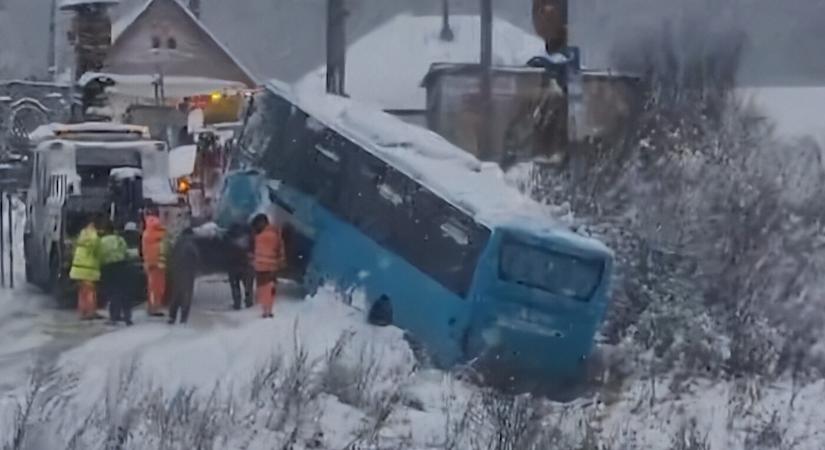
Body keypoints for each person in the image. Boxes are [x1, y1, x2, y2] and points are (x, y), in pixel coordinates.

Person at [69, 214, 103, 320]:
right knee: (90, 292)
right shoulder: (94, 237)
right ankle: (90, 312)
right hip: (89, 270)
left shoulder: (82, 235)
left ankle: (82, 312)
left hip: (77, 269)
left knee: (82, 292)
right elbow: (98, 252)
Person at [251, 213, 285, 319]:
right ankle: (268, 310)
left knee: (263, 289)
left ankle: (266, 311)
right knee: (269, 289)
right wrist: (281, 261)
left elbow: (253, 249)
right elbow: (280, 249)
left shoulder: (260, 235)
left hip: (261, 266)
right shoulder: (275, 233)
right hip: (271, 266)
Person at [99, 221, 133, 326]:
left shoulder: (102, 241)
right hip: (121, 266)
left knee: (112, 292)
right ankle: (127, 317)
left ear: (105, 230)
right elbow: (126, 252)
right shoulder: (120, 239)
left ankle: (113, 317)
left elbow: (99, 255)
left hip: (108, 268)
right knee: (123, 291)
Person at [167, 227, 200, 325]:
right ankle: (183, 318)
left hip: (176, 271)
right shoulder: (192, 245)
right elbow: (196, 259)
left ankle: (172, 316)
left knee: (175, 294)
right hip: (188, 272)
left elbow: (171, 255)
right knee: (186, 295)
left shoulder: (177, 243)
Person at [142, 212, 167, 317]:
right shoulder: (161, 234)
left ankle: (153, 306)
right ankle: (154, 307)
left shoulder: (147, 233)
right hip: (158, 265)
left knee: (153, 286)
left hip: (151, 264)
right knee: (156, 288)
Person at [227, 222, 254, 310]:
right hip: (246, 264)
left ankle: (237, 303)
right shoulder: (249, 238)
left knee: (235, 285)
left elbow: (224, 250)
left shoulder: (229, 238)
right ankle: (249, 302)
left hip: (233, 265)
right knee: (248, 285)